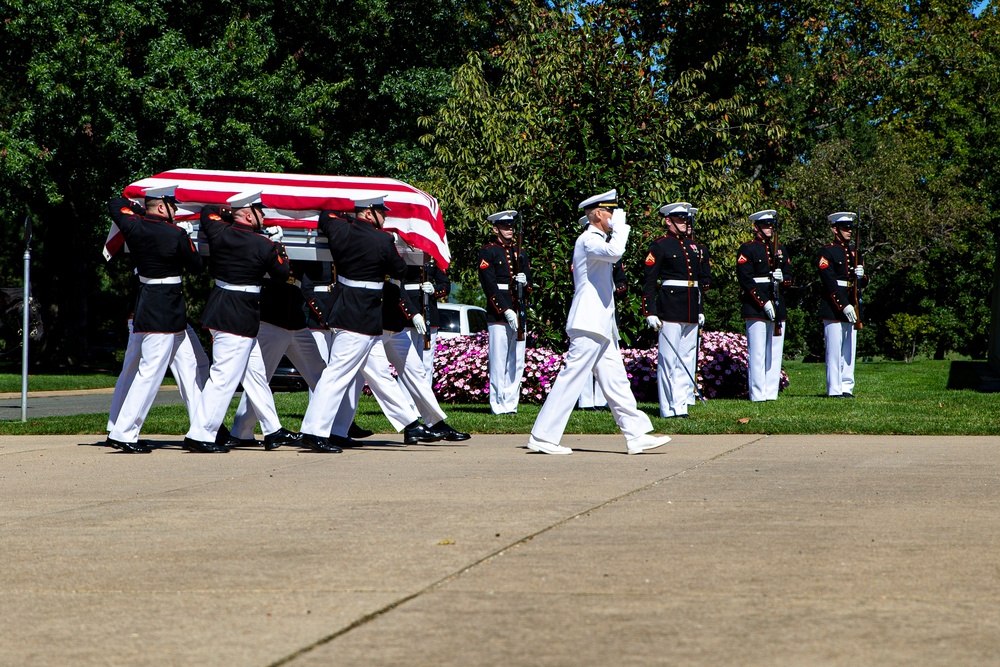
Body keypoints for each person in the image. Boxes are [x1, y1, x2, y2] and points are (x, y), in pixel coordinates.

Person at [527, 189, 670, 455]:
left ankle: (636, 434)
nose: (614, 216)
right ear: (598, 214)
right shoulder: (588, 239)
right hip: (588, 322)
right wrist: (623, 227)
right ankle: (543, 436)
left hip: (601, 324)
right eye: (611, 211)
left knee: (616, 381)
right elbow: (616, 252)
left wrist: (617, 227)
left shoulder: (596, 239)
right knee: (571, 378)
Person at [183, 191, 300, 453]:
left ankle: (273, 430)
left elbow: (207, 212)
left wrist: (229, 213)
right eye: (260, 212)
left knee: (256, 375)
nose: (264, 216)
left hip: (225, 310)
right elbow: (281, 274)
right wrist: (279, 246)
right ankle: (200, 435)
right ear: (249, 215)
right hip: (237, 317)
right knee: (224, 377)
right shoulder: (264, 245)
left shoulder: (218, 232)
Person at [297, 195, 409, 452]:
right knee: (336, 375)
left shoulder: (340, 229)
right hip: (362, 314)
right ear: (369, 213)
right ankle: (314, 431)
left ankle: (334, 431)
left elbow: (326, 215)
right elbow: (400, 269)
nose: (385, 217)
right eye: (381, 212)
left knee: (340, 374)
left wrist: (346, 216)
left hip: (344, 309)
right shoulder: (382, 239)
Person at [105, 184, 204, 453]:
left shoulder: (135, 226)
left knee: (190, 368)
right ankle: (125, 433)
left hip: (149, 304)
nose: (176, 211)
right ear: (162, 207)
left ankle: (203, 429)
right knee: (149, 373)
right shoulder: (175, 234)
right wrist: (189, 239)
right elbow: (197, 266)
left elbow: (115, 202)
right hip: (164, 310)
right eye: (172, 206)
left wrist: (137, 208)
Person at [224, 259, 328, 448]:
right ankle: (242, 432)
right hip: (271, 320)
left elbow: (316, 270)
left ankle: (331, 428)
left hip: (296, 322)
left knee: (321, 374)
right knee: (260, 378)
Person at [642, 202, 701, 418]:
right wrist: (650, 311)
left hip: (690, 307)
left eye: (685, 219)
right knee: (669, 359)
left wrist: (700, 308)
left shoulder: (692, 246)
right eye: (679, 219)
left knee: (687, 358)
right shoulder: (660, 246)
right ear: (668, 221)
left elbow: (697, 281)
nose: (684, 223)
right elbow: (649, 282)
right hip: (670, 306)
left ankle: (682, 404)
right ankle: (668, 407)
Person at [477, 211, 531, 414]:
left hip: (519, 310)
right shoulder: (488, 252)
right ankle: (497, 403)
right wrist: (505, 309)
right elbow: (489, 285)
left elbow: (530, 282)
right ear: (495, 229)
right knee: (499, 361)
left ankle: (511, 402)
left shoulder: (521, 252)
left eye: (511, 226)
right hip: (499, 314)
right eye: (505, 226)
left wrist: (525, 282)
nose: (509, 229)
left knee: (516, 360)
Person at [737, 209, 793, 401]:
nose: (769, 228)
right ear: (756, 227)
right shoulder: (748, 249)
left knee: (775, 352)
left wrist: (783, 278)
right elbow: (745, 279)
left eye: (771, 225)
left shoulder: (781, 249)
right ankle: (757, 393)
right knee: (758, 352)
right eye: (765, 225)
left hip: (778, 303)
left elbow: (789, 276)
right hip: (756, 306)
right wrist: (763, 302)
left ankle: (771, 392)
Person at [818, 211, 869, 397]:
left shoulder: (855, 252)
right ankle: (834, 389)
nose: (848, 231)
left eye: (850, 228)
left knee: (849, 348)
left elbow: (862, 282)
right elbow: (829, 281)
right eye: (844, 228)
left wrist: (862, 275)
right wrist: (842, 304)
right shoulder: (827, 251)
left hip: (852, 300)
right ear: (835, 230)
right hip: (833, 305)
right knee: (834, 349)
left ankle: (847, 386)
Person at [401, 253, 450, 389]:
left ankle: (424, 401)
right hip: (407, 315)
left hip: (429, 314)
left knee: (426, 361)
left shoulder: (432, 260)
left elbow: (446, 286)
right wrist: (412, 314)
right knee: (407, 361)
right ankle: (407, 400)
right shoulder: (403, 258)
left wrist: (435, 289)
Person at [686, 205, 711, 406]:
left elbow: (702, 282)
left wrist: (700, 309)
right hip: (677, 305)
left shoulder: (699, 250)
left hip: (694, 302)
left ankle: (689, 392)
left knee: (691, 351)